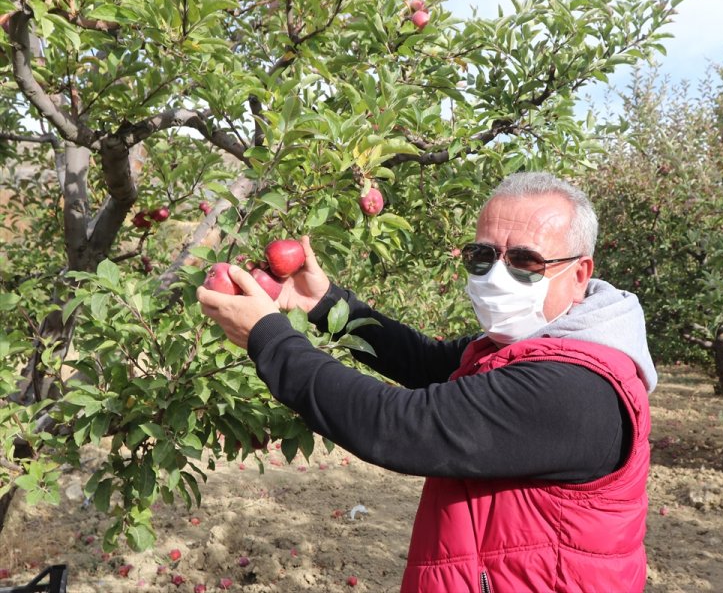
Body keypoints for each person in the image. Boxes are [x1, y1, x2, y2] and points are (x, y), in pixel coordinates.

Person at [197, 172, 657, 592]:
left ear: (579, 274)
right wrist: (325, 303)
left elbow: (400, 426)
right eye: (483, 255)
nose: (498, 273)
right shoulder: (536, 343)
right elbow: (424, 360)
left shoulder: (573, 390)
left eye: (524, 261)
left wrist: (268, 339)